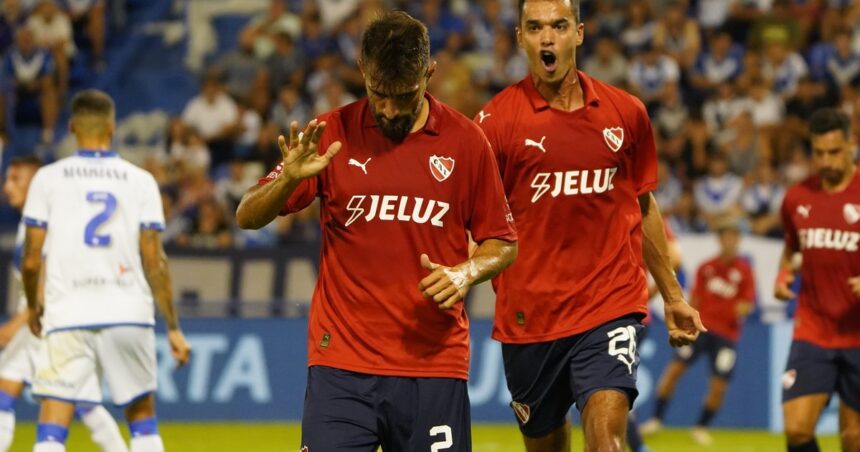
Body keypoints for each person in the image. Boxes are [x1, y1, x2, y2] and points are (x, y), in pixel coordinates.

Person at [236, 11, 517, 452]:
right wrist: (287, 180)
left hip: (432, 365)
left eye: (404, 96)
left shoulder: (466, 142)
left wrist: (465, 272)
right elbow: (246, 215)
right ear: (363, 71)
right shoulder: (330, 134)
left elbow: (502, 242)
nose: (388, 109)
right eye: (378, 94)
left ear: (429, 73)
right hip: (341, 366)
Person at [475, 1, 705, 451]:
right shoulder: (496, 123)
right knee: (546, 444)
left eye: (558, 26)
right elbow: (473, 220)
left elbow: (643, 205)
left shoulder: (626, 112)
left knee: (607, 441)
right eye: (535, 27)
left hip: (608, 304)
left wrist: (673, 295)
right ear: (520, 37)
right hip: (530, 319)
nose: (547, 38)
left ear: (578, 33)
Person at [20, 89, 192, 452]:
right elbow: (154, 260)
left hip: (67, 311)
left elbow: (32, 257)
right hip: (128, 310)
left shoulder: (48, 179)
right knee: (143, 419)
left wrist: (35, 305)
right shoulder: (141, 180)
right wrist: (173, 327)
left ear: (71, 127)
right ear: (112, 128)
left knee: (53, 421)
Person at [0, 156, 128, 452]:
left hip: (55, 324)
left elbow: (45, 281)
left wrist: (14, 326)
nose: (7, 186)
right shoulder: (30, 221)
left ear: (35, 183)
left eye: (15, 179)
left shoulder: (48, 221)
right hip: (38, 324)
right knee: (6, 393)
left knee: (84, 403)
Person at [775, 108, 860, 452]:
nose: (826, 161)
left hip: (857, 335)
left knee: (853, 438)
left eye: (834, 152)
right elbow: (792, 247)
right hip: (812, 330)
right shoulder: (797, 197)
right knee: (796, 429)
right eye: (819, 153)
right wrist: (784, 273)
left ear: (851, 145)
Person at [639, 218, 755, 445]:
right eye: (725, 236)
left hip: (727, 336)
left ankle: (701, 427)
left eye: (733, 237)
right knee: (673, 371)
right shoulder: (706, 267)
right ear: (720, 240)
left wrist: (740, 308)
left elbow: (747, 304)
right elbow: (694, 299)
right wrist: (686, 320)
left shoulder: (744, 271)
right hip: (701, 329)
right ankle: (656, 419)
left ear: (738, 240)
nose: (729, 241)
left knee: (719, 385)